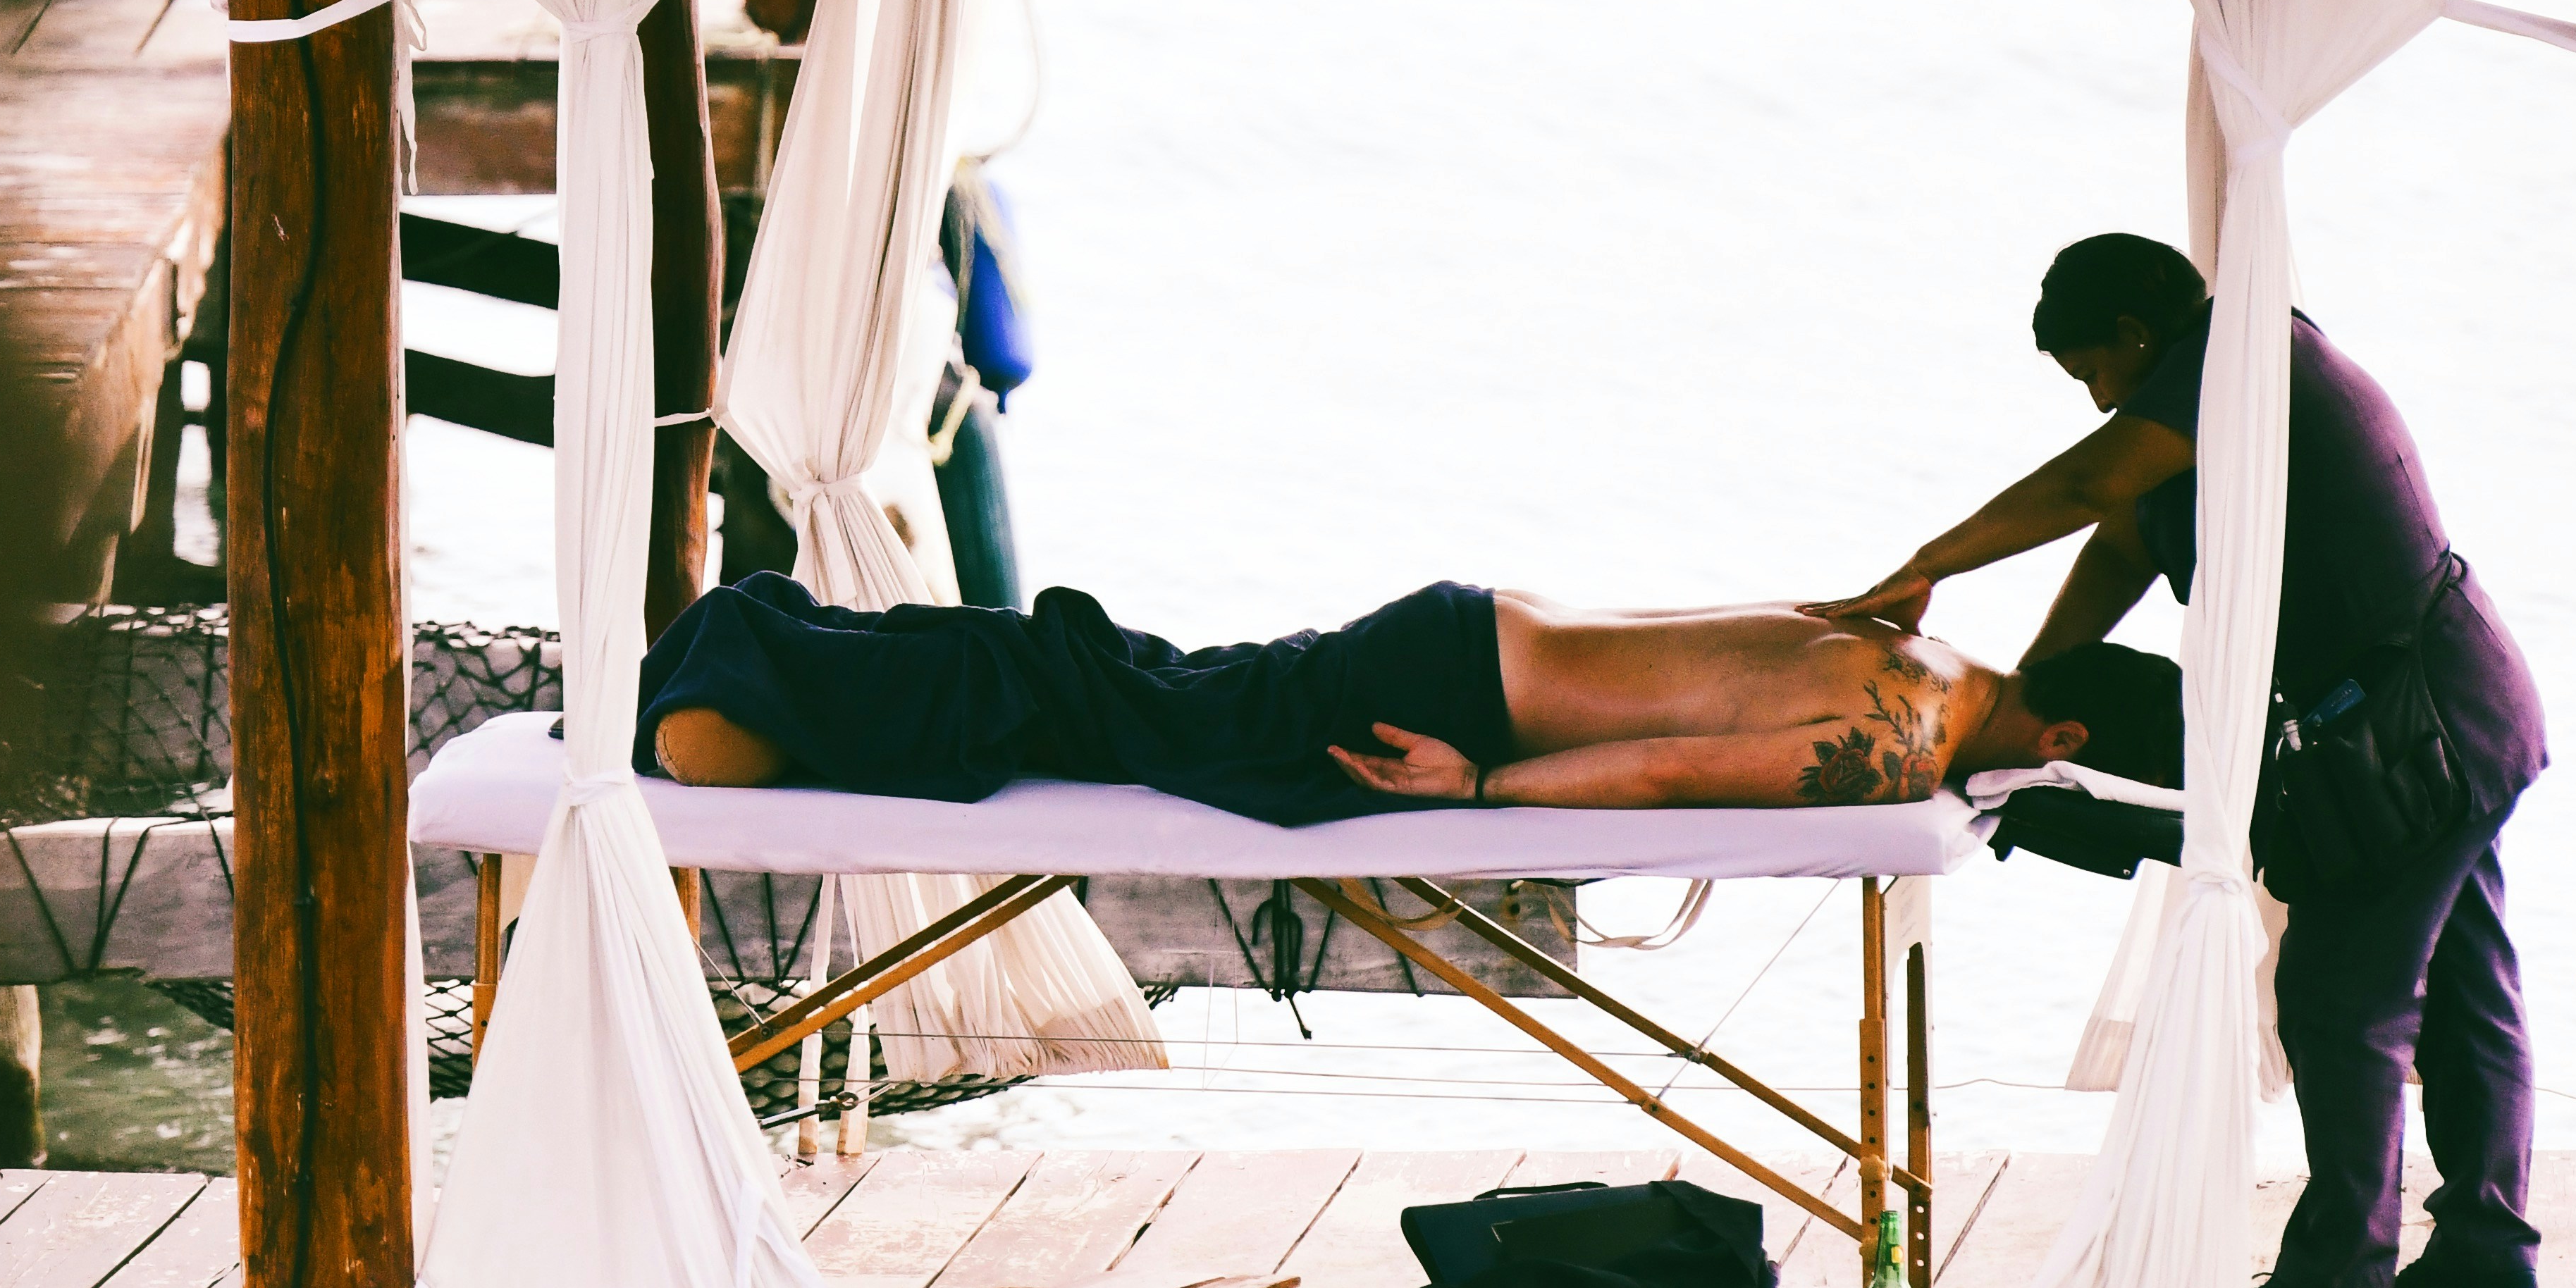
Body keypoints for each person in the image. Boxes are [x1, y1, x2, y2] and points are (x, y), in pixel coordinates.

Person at [1801, 230, 2551, 1288]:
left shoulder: (2246, 363)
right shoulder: (2214, 397)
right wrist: (2020, 692)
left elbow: (2091, 478)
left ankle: (2340, 1285)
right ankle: (2487, 1269)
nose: (2098, 403)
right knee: (2461, 978)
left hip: (2420, 724)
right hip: (2450, 704)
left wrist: (1929, 564)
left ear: (2138, 340)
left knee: (2343, 996)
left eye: (2094, 375)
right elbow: (2117, 546)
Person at [637, 569, 2088, 824]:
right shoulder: (1901, 749)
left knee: (1149, 690)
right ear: (2069, 738)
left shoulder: (1924, 648)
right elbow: (1659, 769)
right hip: (1448, 699)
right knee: (1098, 697)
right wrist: (1481, 790)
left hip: (1464, 635)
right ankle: (759, 663)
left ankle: (779, 653)